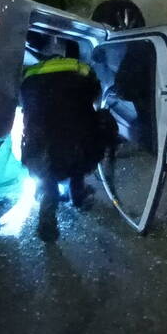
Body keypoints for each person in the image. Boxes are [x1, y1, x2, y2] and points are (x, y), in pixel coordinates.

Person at [19, 57, 117, 242]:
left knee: (47, 171)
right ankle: (78, 195)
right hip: (76, 141)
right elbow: (96, 98)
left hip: (41, 143)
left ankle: (47, 214)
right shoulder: (82, 70)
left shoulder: (30, 76)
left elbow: (23, 105)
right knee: (79, 150)